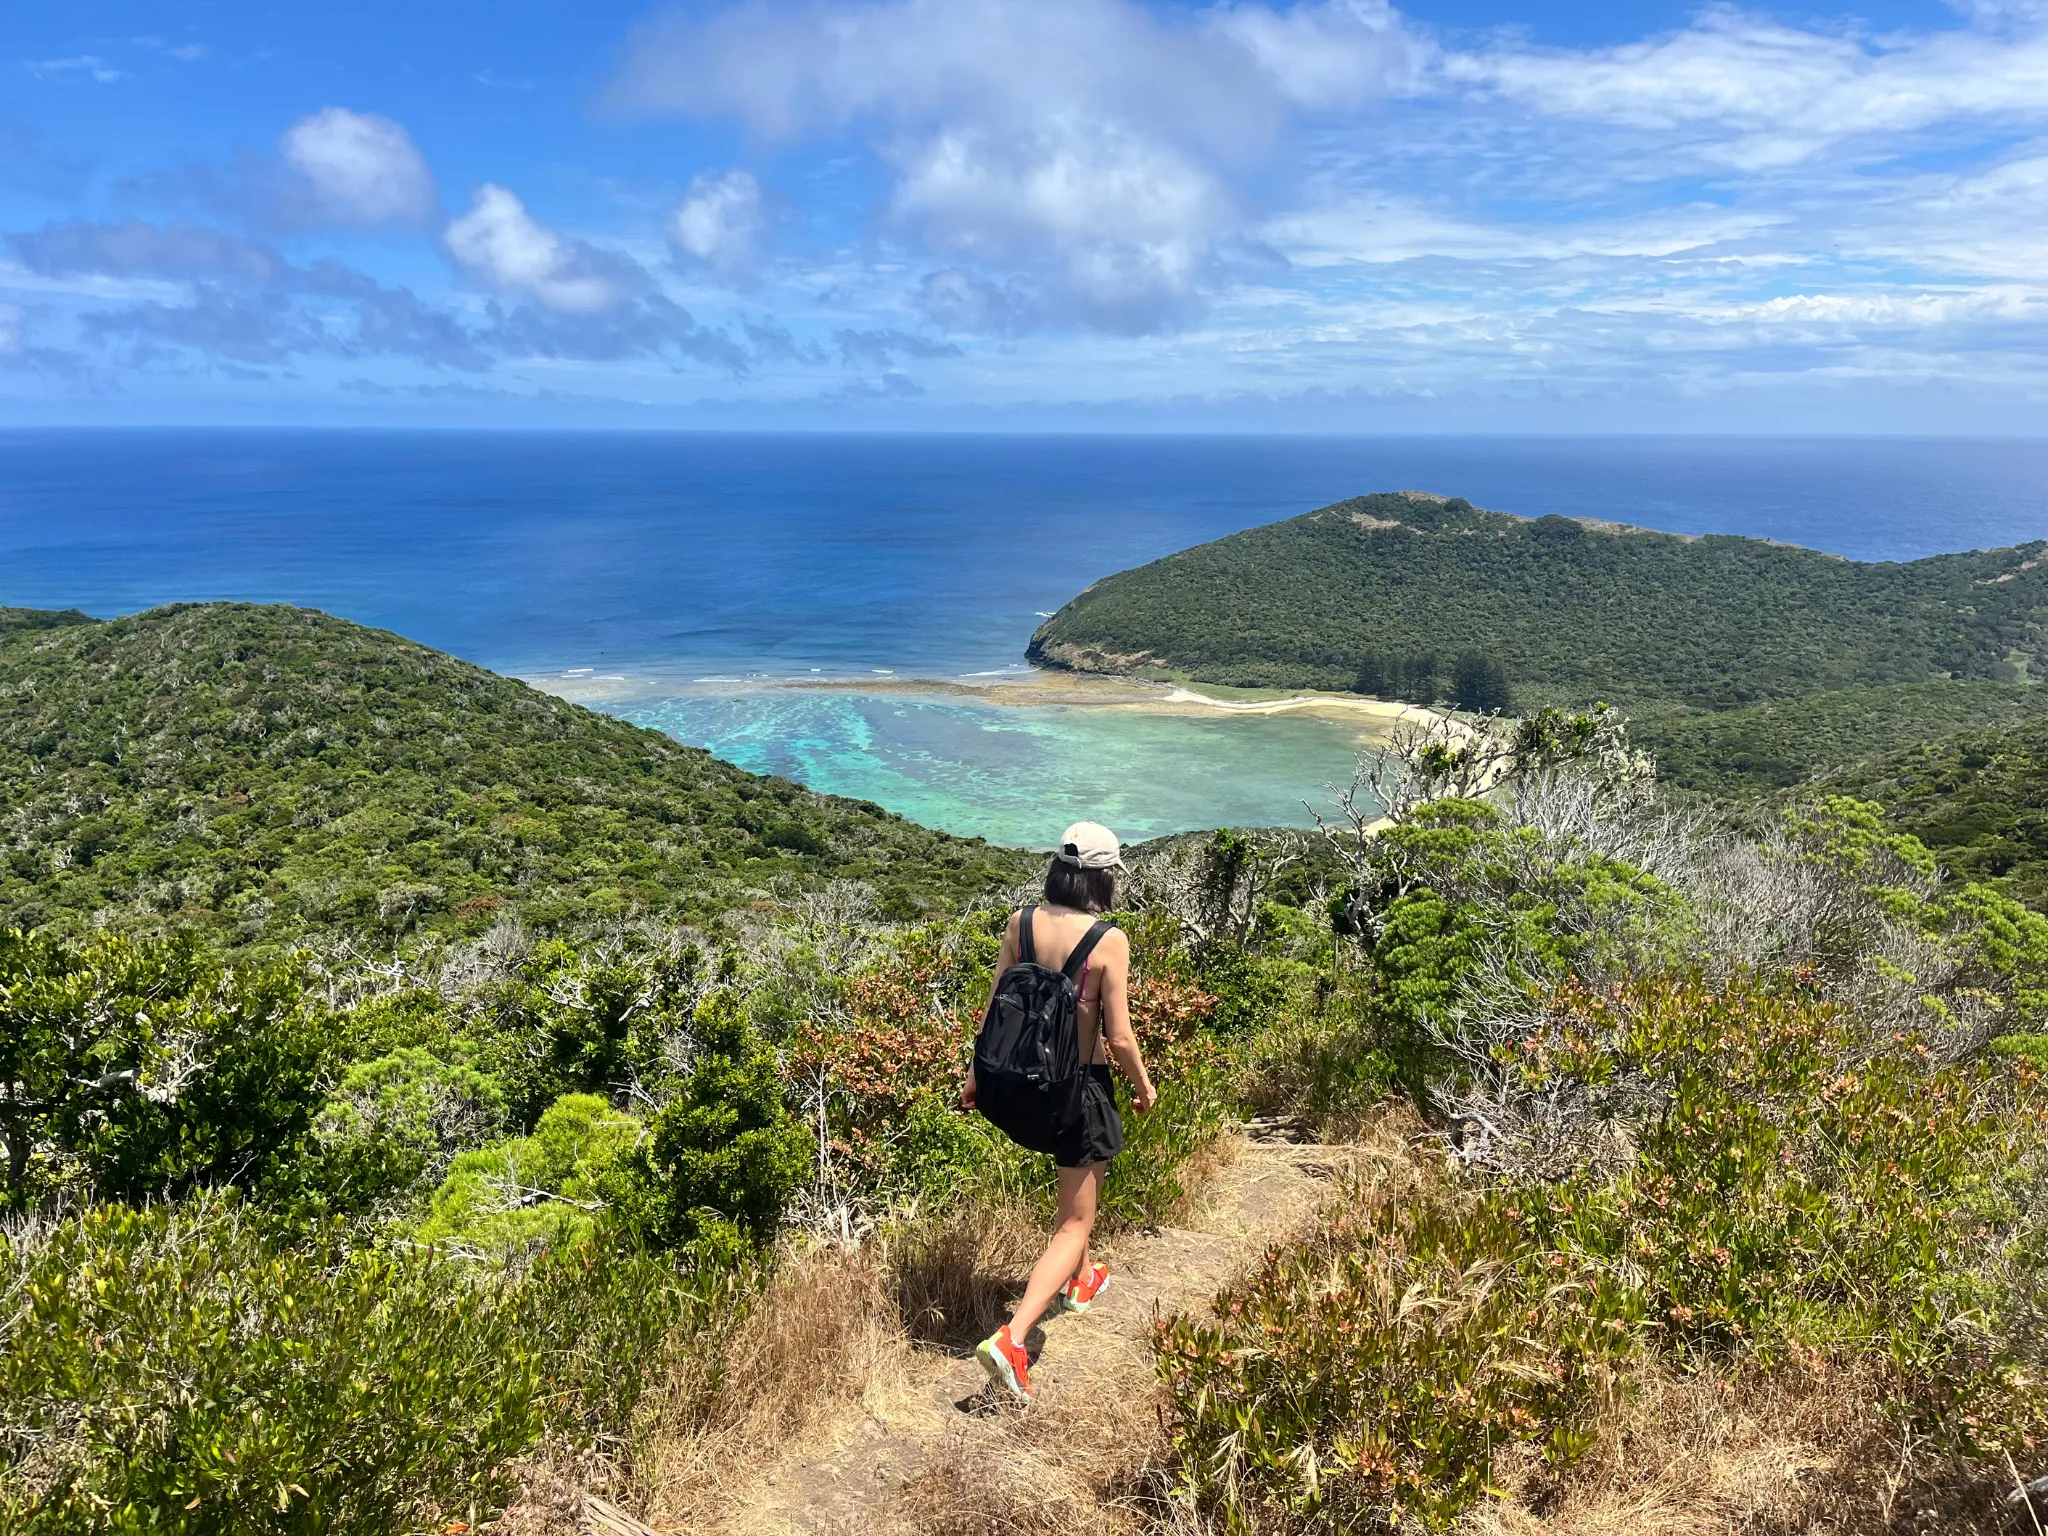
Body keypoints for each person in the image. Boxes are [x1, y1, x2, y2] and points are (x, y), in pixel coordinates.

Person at [963, 820, 1157, 1403]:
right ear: (1102, 878)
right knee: (1074, 1221)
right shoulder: (1107, 939)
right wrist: (1145, 1089)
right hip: (1079, 1091)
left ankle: (1082, 1279)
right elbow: (1119, 1039)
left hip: (1018, 1084)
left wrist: (974, 1076)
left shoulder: (1020, 923)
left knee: (1078, 1206)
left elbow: (996, 1003)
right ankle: (1014, 1338)